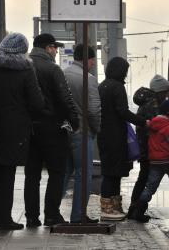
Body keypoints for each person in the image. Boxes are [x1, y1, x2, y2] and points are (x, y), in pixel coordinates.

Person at [0, 33, 44, 230]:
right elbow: (37, 102)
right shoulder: (25, 69)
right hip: (16, 128)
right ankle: (4, 219)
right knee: (8, 173)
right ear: (22, 50)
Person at [24, 33, 79, 227]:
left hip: (29, 129)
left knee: (32, 175)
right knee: (57, 172)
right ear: (48, 48)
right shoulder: (52, 69)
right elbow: (64, 98)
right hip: (52, 127)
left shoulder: (24, 65)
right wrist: (74, 120)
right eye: (55, 47)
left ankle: (31, 217)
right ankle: (51, 215)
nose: (56, 51)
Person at [97, 57, 147, 221]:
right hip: (115, 136)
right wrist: (143, 121)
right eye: (125, 70)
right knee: (112, 173)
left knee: (112, 171)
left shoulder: (102, 86)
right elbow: (123, 112)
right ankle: (108, 209)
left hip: (104, 134)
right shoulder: (117, 87)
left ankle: (113, 206)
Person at [63, 45, 101, 223]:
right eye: (93, 60)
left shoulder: (63, 74)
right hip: (82, 131)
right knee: (83, 174)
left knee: (64, 172)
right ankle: (78, 216)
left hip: (65, 130)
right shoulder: (89, 79)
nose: (93, 64)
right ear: (88, 60)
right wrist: (96, 129)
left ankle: (52, 212)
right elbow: (93, 110)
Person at [127, 75, 169, 219]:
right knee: (146, 179)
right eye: (165, 92)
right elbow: (160, 125)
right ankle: (136, 210)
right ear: (159, 91)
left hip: (145, 146)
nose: (167, 95)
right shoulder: (154, 104)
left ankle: (135, 209)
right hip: (149, 147)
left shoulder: (148, 102)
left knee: (144, 178)